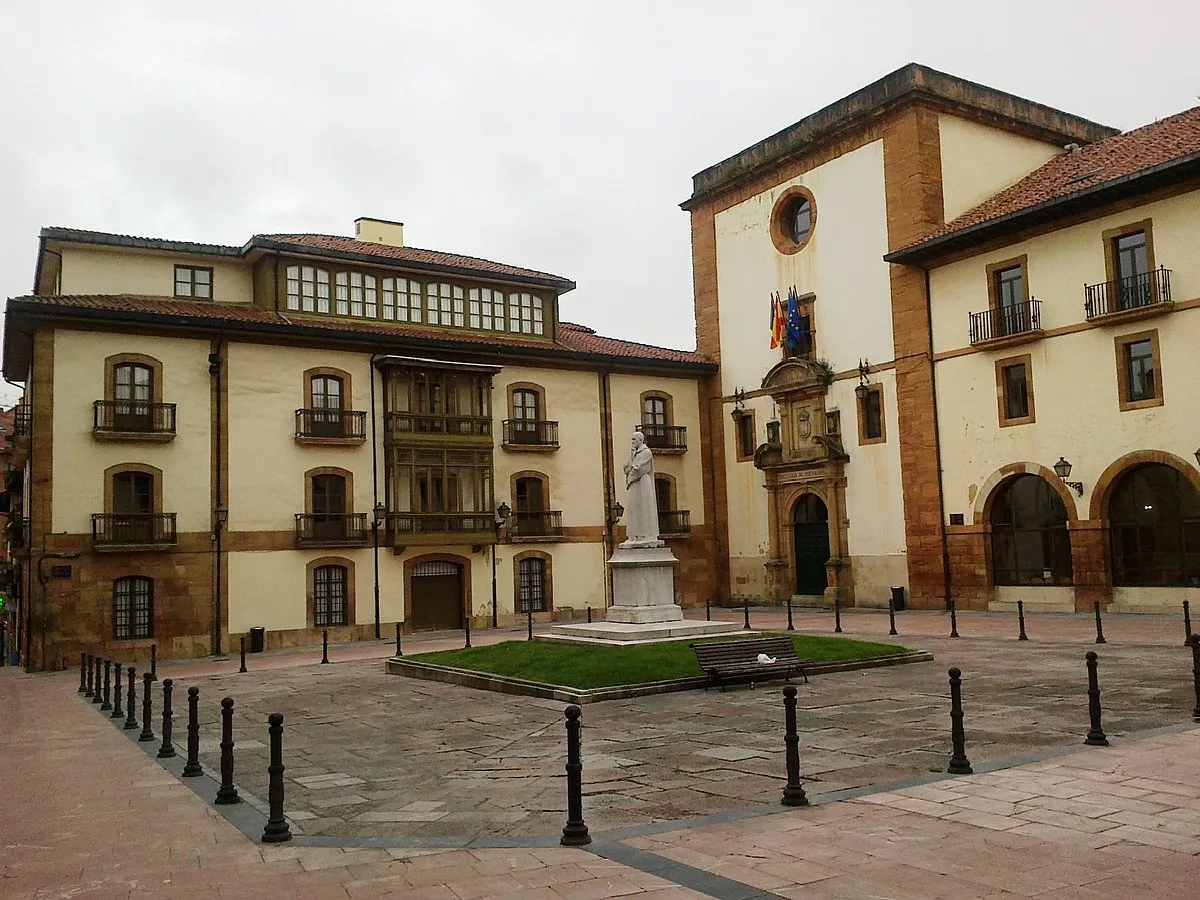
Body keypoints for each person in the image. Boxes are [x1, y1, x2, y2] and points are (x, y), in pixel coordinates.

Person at [621, 430, 660, 546]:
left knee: (644, 507)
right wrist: (632, 458)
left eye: (634, 439)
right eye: (631, 439)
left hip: (643, 482)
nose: (632, 442)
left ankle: (646, 535)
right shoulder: (634, 453)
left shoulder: (646, 452)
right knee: (633, 508)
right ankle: (634, 535)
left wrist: (630, 477)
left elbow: (640, 469)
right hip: (634, 484)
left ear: (641, 440)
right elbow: (627, 468)